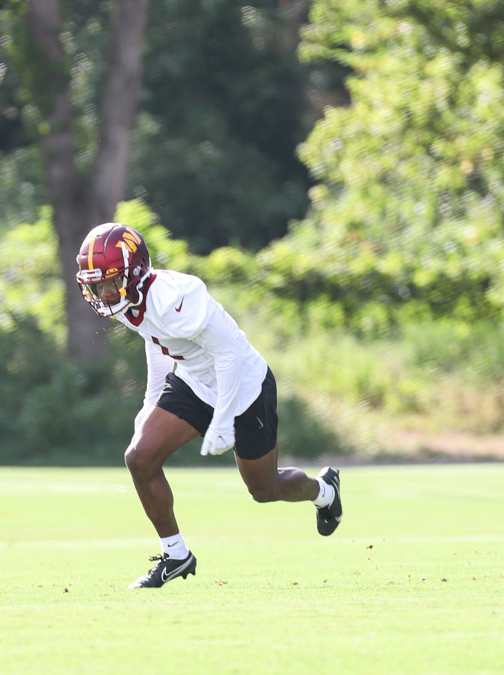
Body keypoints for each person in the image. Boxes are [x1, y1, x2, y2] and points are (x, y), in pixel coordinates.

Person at [75, 223, 342, 589]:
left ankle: (324, 491)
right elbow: (155, 339)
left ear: (135, 273)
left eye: (110, 282)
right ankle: (176, 555)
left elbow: (229, 356)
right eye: (97, 284)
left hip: (244, 386)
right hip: (195, 382)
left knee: (265, 490)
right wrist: (150, 402)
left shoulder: (177, 296)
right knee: (140, 457)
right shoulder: (126, 300)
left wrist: (223, 420)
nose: (103, 293)